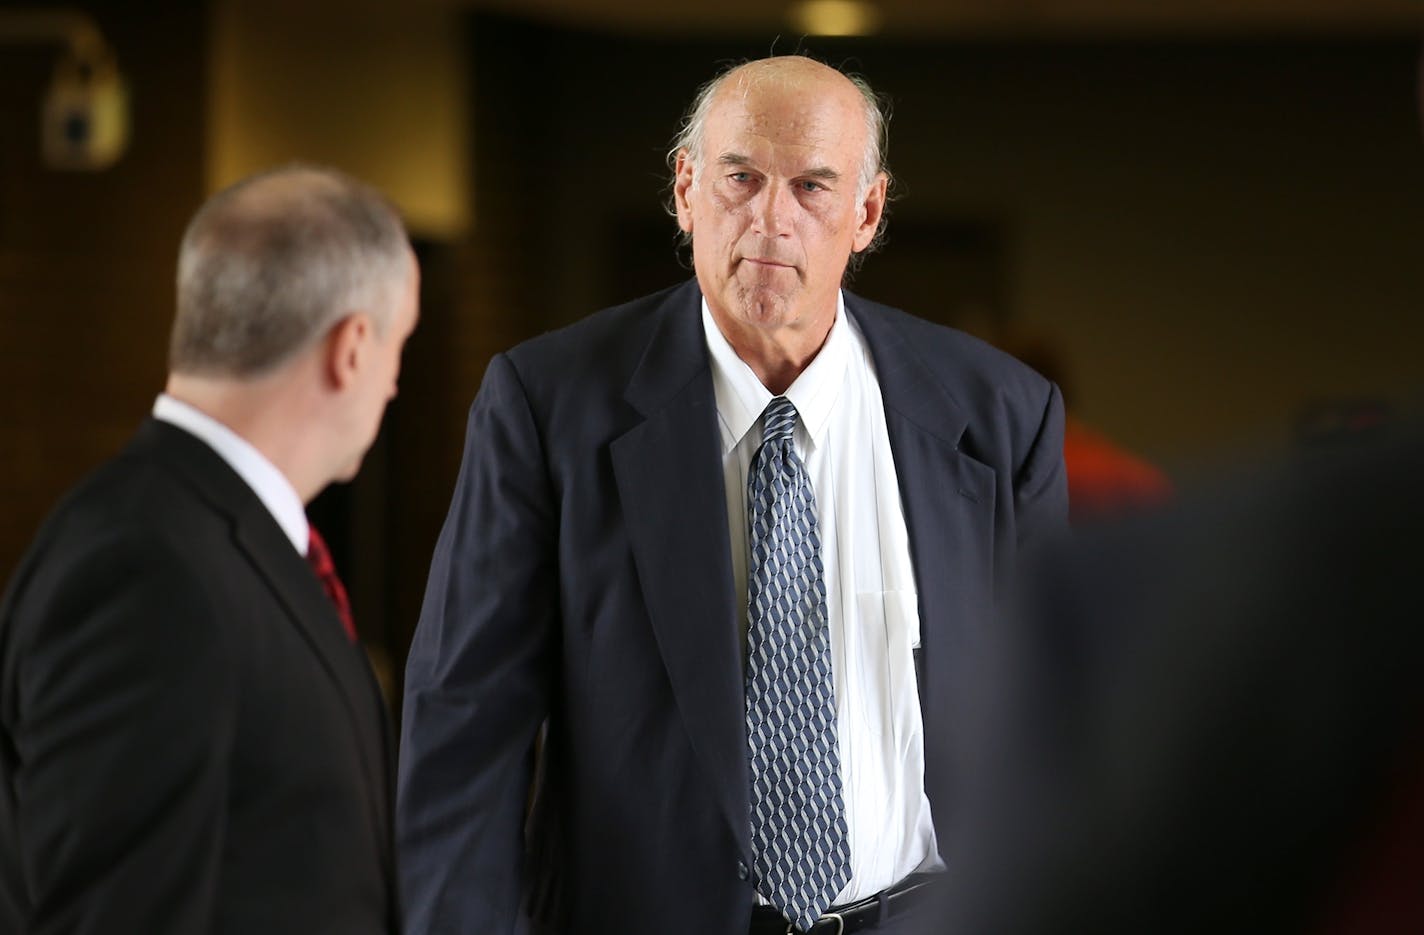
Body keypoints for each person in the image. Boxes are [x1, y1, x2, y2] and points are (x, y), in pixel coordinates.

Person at [398, 55, 1066, 935]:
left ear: (866, 213)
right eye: (740, 178)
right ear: (685, 188)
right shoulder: (549, 405)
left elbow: (1051, 729)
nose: (769, 218)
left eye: (812, 187)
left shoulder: (1000, 417)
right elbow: (464, 731)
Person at [0, 165, 419, 934]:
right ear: (353, 347)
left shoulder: (210, 534)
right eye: (401, 345)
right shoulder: (144, 569)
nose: (394, 386)